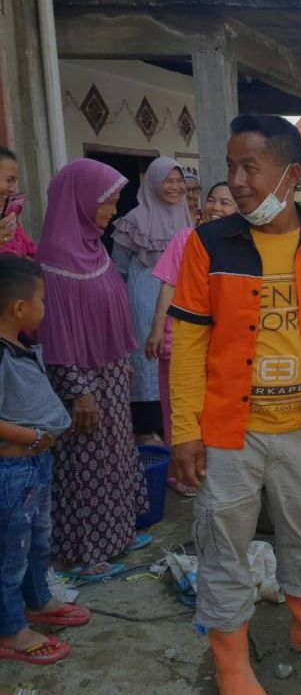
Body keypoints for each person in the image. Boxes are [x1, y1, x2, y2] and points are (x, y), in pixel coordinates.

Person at [169, 114, 301, 694]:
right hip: (228, 434)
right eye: (231, 166)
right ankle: (232, 661)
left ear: (289, 175)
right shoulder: (208, 244)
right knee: (223, 543)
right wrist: (184, 429)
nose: (235, 181)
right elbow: (187, 342)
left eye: (249, 168)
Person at [37, 159, 148, 581]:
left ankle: (117, 534)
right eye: (108, 202)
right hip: (82, 382)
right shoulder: (55, 259)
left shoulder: (93, 247)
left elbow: (106, 312)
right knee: (86, 466)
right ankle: (86, 552)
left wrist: (121, 361)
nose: (113, 211)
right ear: (81, 201)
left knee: (118, 456)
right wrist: (78, 391)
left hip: (111, 374)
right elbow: (55, 337)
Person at [0, 255, 86, 666]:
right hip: (13, 469)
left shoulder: (19, 344)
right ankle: (10, 630)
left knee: (37, 541)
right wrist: (33, 436)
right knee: (9, 553)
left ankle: (36, 602)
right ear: (20, 307)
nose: (45, 307)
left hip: (35, 467)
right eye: (43, 300)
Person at [145, 182, 238, 497]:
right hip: (180, 339)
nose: (215, 207)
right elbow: (169, 285)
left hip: (220, 344)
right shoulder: (187, 238)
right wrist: (158, 329)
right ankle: (180, 473)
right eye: (212, 200)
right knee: (179, 409)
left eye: (225, 202)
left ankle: (208, 467)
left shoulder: (239, 245)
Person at [111, 157, 192, 441]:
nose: (175, 187)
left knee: (176, 361)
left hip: (179, 303)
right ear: (154, 183)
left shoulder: (187, 219)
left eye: (179, 181)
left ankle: (172, 427)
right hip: (144, 302)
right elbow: (118, 269)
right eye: (168, 181)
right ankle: (147, 426)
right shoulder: (134, 220)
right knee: (147, 361)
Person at [0, 147, 38, 260]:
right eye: (9, 180)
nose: (13, 189)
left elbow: (32, 251)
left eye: (15, 181)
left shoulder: (11, 222)